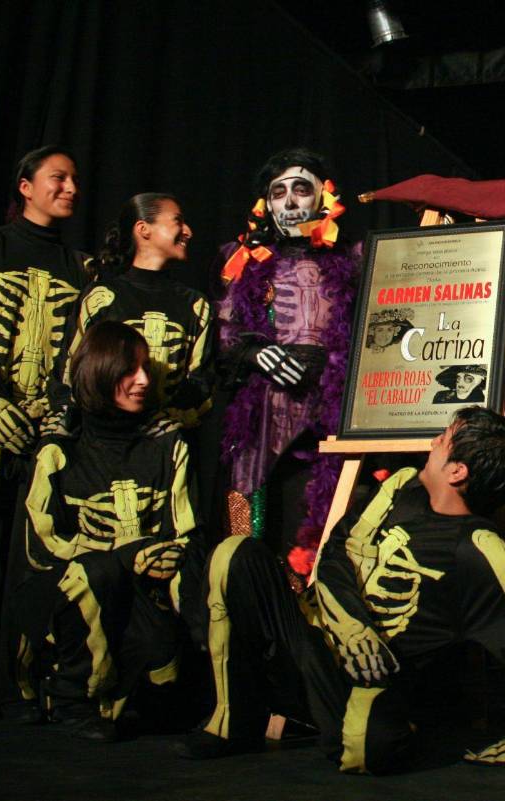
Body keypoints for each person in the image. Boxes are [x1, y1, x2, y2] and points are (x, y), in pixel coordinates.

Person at [181, 406, 505, 773]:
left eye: (443, 440)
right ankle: (232, 720)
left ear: (457, 471)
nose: (432, 442)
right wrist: (352, 626)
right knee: (237, 553)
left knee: (371, 750)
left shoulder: (478, 548)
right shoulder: (401, 488)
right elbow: (337, 554)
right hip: (308, 640)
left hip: (358, 687)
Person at [12, 320, 204, 740]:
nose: (142, 380)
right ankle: (68, 698)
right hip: (67, 592)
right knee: (95, 573)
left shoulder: (167, 449)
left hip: (140, 592)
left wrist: (167, 557)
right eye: (127, 370)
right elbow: (40, 550)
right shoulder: (58, 453)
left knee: (166, 677)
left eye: (144, 369)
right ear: (98, 372)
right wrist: (124, 556)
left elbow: (183, 532)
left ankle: (115, 693)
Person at [0, 145, 90, 716]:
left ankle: (15, 684)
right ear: (25, 186)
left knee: (32, 561)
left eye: (73, 180)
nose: (70, 187)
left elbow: (77, 354)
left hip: (43, 432)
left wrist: (54, 419)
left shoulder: (81, 268)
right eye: (57, 178)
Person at [215, 148, 358, 580]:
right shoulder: (243, 262)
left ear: (322, 198)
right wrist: (255, 352)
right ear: (267, 204)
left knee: (330, 512)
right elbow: (222, 333)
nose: (291, 202)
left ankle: (316, 595)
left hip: (332, 401)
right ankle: (242, 589)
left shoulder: (352, 262)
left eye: (302, 190)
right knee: (245, 504)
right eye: (279, 193)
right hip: (265, 405)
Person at [54, 193, 212, 432]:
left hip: (164, 449)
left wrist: (168, 423)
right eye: (178, 221)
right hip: (99, 442)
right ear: (143, 229)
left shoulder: (195, 305)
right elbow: (69, 373)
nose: (188, 231)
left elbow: (201, 382)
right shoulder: (101, 297)